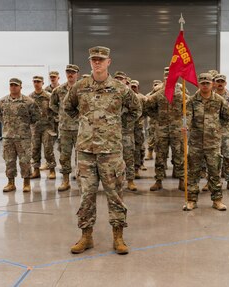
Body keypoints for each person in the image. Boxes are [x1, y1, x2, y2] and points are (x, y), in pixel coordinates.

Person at [64, 46, 141, 255]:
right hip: (86, 151)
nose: (97, 63)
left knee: (115, 194)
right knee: (86, 195)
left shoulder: (120, 88)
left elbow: (136, 109)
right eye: (94, 59)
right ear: (90, 62)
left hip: (111, 152)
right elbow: (68, 108)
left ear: (109, 62)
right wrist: (84, 123)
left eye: (101, 59)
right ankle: (86, 236)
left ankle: (118, 237)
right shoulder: (80, 87)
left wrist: (117, 126)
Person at [183, 73, 229, 211]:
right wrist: (186, 127)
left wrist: (218, 130)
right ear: (199, 84)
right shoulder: (191, 101)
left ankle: (217, 200)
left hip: (213, 143)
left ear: (213, 84)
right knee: (193, 172)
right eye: (202, 83)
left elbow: (228, 117)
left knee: (214, 172)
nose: (205, 85)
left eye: (207, 83)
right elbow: (187, 118)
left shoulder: (220, 100)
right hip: (196, 143)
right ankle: (192, 200)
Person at [0, 78, 40, 193]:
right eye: (11, 85)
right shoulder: (2, 102)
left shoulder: (28, 102)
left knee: (25, 161)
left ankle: (26, 183)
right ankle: (11, 183)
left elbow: (36, 116)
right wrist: (7, 124)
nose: (13, 87)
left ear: (20, 87)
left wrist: (24, 125)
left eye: (16, 85)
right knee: (9, 161)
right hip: (8, 137)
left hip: (23, 137)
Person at [144, 67, 185, 191]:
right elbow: (147, 106)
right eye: (166, 79)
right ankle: (158, 180)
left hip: (177, 130)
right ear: (164, 80)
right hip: (161, 129)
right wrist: (156, 117)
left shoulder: (181, 95)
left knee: (179, 155)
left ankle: (182, 180)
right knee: (160, 155)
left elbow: (189, 109)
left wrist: (184, 121)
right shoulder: (158, 95)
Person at [50, 64, 80, 191]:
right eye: (68, 72)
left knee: (81, 157)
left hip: (80, 128)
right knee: (64, 156)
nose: (70, 74)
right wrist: (62, 113)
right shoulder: (58, 90)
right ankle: (66, 181)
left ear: (77, 74)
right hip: (65, 128)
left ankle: (80, 181)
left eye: (73, 72)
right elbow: (53, 105)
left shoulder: (82, 88)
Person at [29, 76, 57, 180]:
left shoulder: (49, 96)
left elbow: (55, 110)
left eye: (38, 82)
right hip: (35, 128)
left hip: (47, 128)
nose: (36, 83)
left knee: (48, 149)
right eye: (35, 81)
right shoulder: (29, 97)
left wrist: (54, 122)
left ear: (43, 83)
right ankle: (36, 170)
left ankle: (52, 170)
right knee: (35, 150)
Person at [114, 71, 138, 191]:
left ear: (125, 81)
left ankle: (130, 181)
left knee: (128, 157)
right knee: (112, 159)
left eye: (121, 78)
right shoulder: (110, 93)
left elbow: (137, 110)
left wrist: (127, 121)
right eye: (116, 78)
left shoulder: (129, 94)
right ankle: (115, 182)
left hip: (126, 132)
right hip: (111, 133)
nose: (119, 80)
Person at [130, 80, 148, 178]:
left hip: (137, 126)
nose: (133, 88)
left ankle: (137, 167)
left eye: (134, 87)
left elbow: (146, 110)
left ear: (138, 87)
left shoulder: (142, 98)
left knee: (138, 147)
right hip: (126, 128)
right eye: (131, 86)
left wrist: (140, 119)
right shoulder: (125, 97)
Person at [144, 80, 162, 160]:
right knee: (151, 137)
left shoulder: (162, 95)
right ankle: (150, 153)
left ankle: (161, 155)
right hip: (152, 121)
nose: (156, 86)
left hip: (162, 121)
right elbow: (146, 107)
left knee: (161, 139)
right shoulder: (149, 95)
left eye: (158, 85)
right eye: (155, 85)